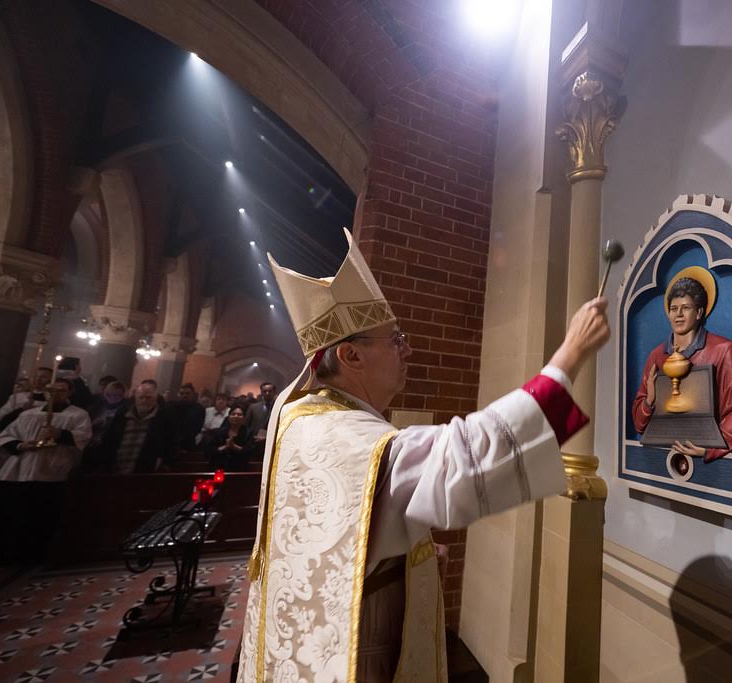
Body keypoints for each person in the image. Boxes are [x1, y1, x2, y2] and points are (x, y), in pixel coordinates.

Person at [237, 229, 609, 682]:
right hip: (356, 656)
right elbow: (466, 458)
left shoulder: (298, 415)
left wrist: (397, 542)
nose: (407, 349)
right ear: (351, 355)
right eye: (395, 340)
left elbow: (334, 530)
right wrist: (569, 355)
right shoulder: (347, 437)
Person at [631, 273, 732, 461]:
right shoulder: (656, 357)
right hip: (663, 459)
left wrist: (708, 447)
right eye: (673, 309)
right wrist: (649, 401)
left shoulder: (725, 351)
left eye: (686, 308)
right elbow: (639, 424)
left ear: (699, 312)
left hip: (712, 469)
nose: (678, 314)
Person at [0, 378, 92, 560]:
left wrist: (61, 434)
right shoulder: (27, 414)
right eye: (52, 390)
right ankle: (6, 552)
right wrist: (21, 445)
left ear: (69, 392)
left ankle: (34, 554)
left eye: (61, 390)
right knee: (10, 513)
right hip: (19, 469)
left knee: (41, 516)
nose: (55, 393)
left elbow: (83, 437)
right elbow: (6, 435)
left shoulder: (78, 415)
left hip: (51, 470)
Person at [86, 379, 178, 474]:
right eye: (141, 397)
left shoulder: (164, 418)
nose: (144, 400)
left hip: (145, 471)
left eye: (148, 397)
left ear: (155, 399)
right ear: (135, 398)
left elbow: (171, 444)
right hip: (115, 467)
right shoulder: (123, 414)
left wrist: (166, 465)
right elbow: (109, 438)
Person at [205, 402, 261, 470]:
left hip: (240, 468)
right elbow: (209, 450)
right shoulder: (218, 432)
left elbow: (249, 453)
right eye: (233, 414)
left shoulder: (248, 433)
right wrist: (225, 447)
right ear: (228, 417)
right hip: (219, 467)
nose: (236, 416)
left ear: (244, 418)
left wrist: (234, 446)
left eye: (239, 414)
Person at [0, 366, 52, 431]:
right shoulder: (17, 397)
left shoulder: (51, 400)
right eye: (35, 375)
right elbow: (2, 414)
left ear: (51, 379)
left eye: (43, 377)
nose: (37, 379)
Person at [88, 380, 127, 446]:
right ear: (105, 393)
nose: (113, 397)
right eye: (110, 394)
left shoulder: (125, 409)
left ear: (123, 395)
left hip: (111, 442)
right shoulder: (96, 405)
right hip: (91, 439)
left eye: (118, 395)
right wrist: (92, 424)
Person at [168, 382, 206, 451]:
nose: (184, 395)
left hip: (188, 444)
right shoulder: (171, 406)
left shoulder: (199, 409)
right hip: (170, 442)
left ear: (193, 394)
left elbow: (197, 428)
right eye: (182, 393)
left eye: (187, 393)